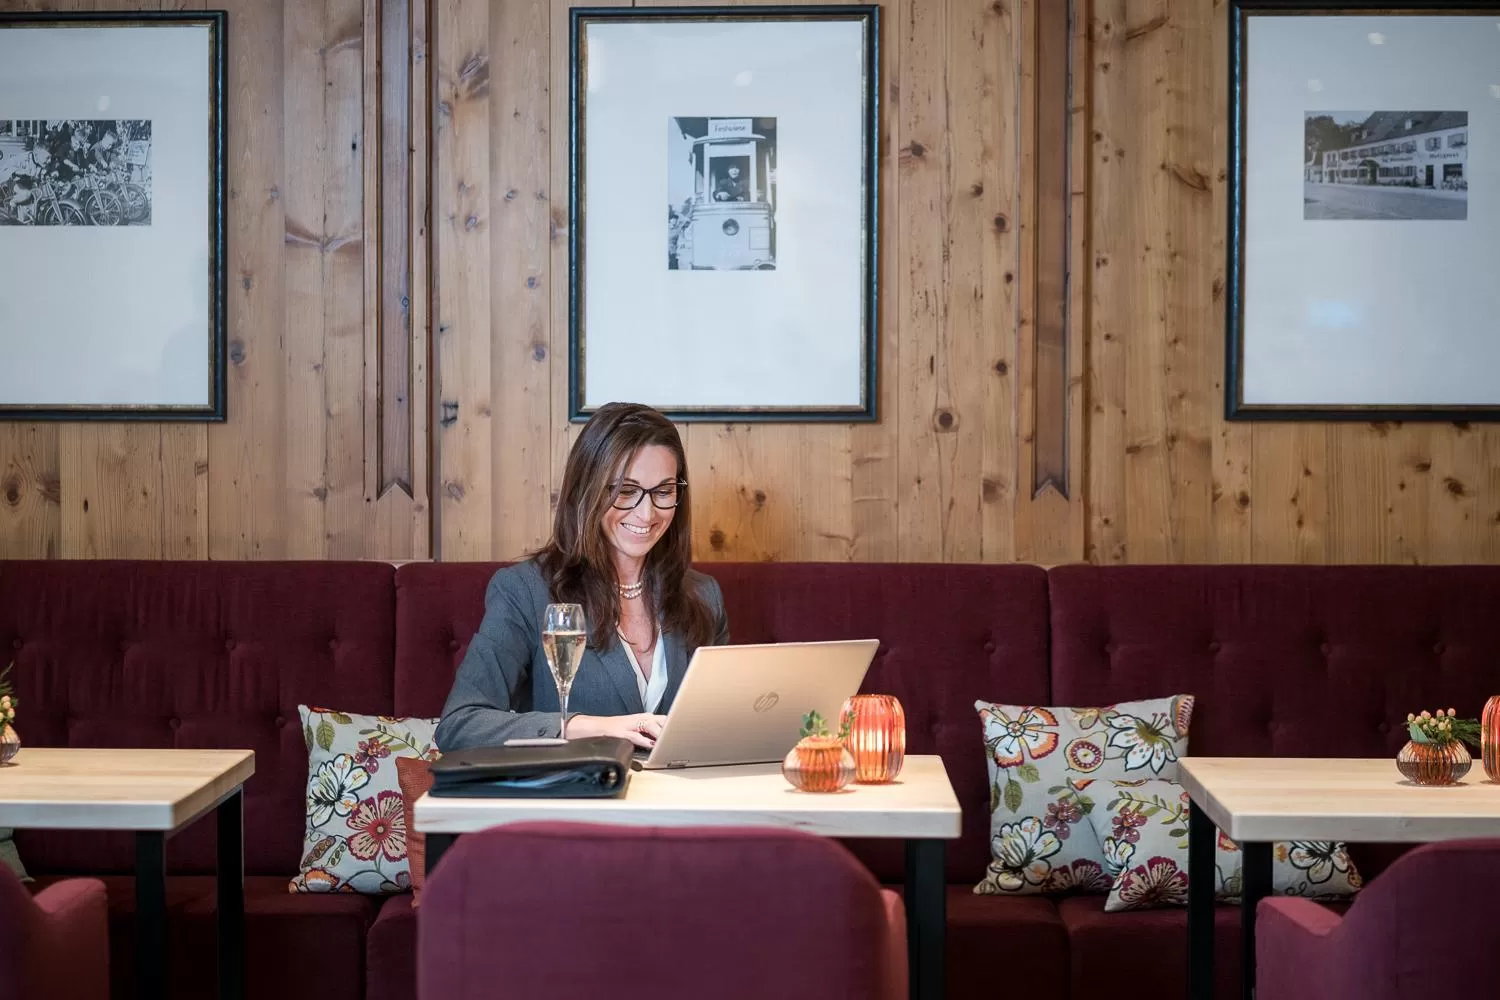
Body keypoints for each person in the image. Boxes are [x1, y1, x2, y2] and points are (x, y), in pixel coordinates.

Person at [434, 402, 730, 751]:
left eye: (663, 492)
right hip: (574, 802)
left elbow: (719, 728)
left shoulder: (704, 595)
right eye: (625, 490)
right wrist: (594, 727)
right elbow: (460, 724)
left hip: (676, 803)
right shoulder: (525, 590)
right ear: (586, 489)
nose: (647, 513)